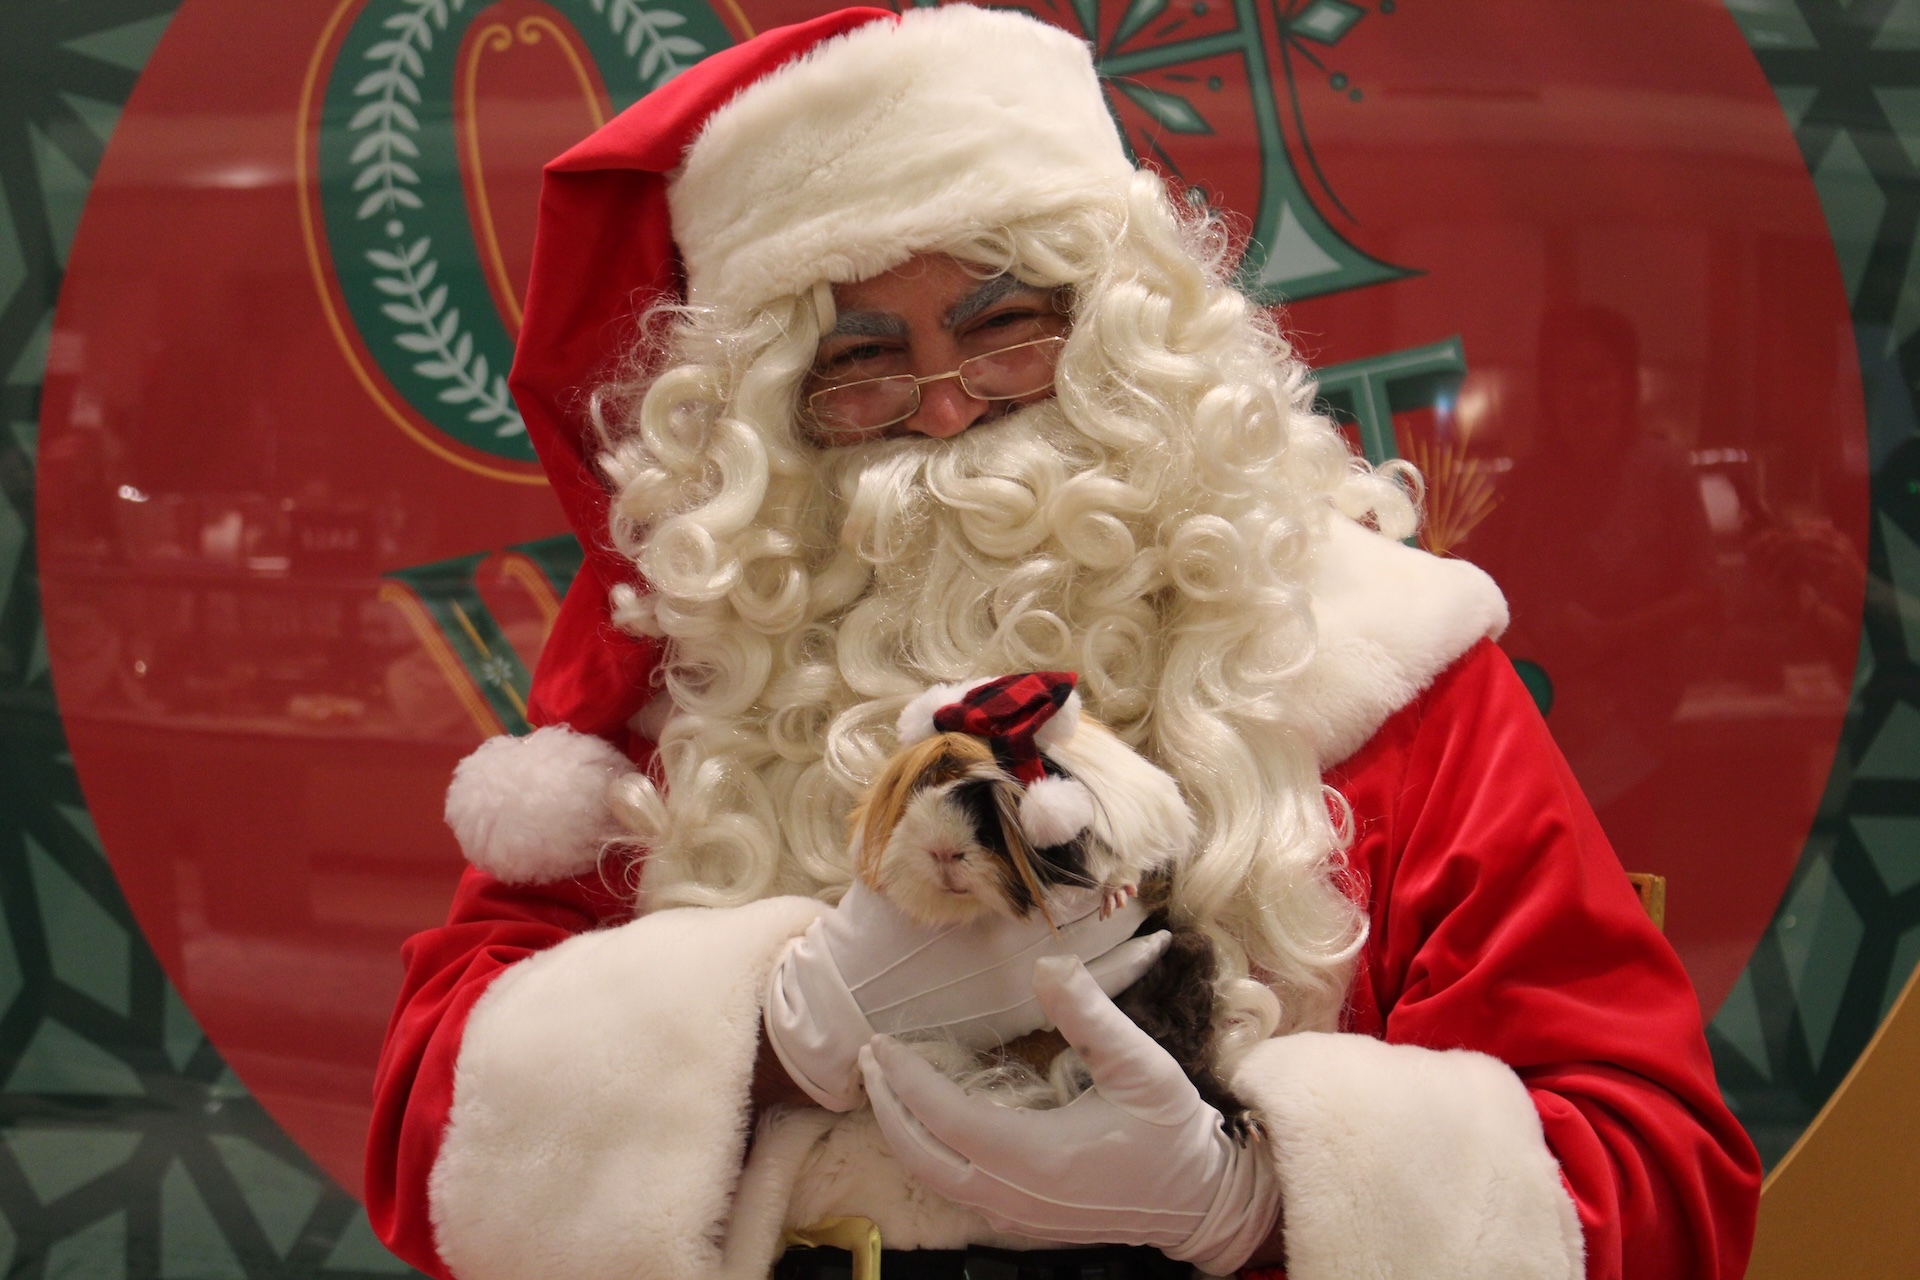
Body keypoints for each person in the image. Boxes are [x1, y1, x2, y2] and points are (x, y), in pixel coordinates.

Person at [365, 8, 1762, 1279]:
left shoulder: (1376, 667)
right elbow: (432, 1140)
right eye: (859, 365)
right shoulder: (692, 699)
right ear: (772, 415)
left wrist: (1255, 1202)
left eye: (1007, 327)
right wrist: (773, 1039)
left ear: (1120, 334)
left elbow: (1662, 1179)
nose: (950, 410)